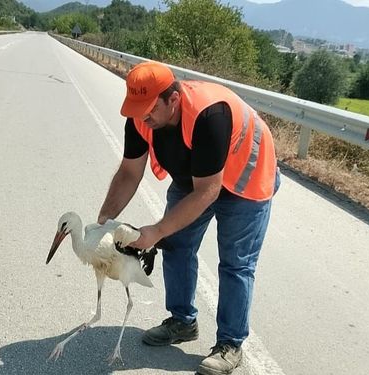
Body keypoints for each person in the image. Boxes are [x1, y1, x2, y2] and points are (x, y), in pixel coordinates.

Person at [97, 61, 280, 375]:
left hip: (246, 179)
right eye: (137, 109)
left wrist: (154, 231)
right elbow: (129, 173)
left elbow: (208, 191)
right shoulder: (141, 118)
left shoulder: (210, 115)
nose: (143, 117)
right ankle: (182, 322)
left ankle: (230, 344)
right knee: (177, 246)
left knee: (236, 263)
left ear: (173, 99)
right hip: (196, 176)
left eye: (149, 109)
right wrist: (103, 221)